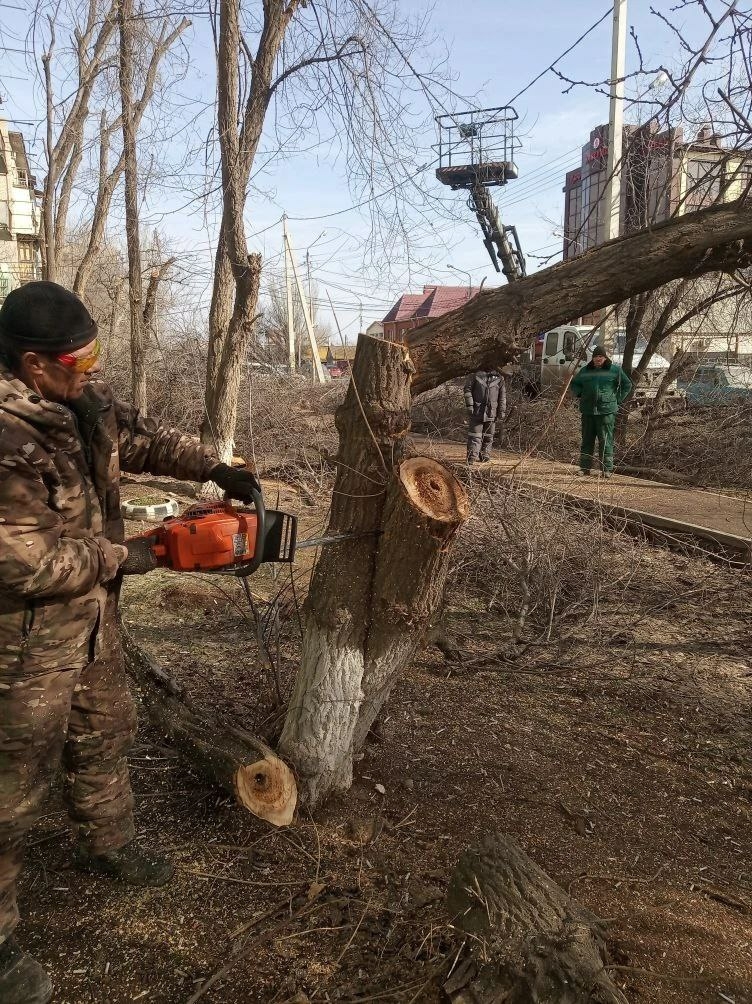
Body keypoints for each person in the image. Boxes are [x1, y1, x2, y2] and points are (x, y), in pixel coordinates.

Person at [0, 281, 260, 1003]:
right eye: (78, 361)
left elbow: (141, 438)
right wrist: (132, 556)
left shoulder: (80, 397)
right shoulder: (7, 438)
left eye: (95, 355)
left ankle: (108, 842)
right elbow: (23, 561)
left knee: (105, 732)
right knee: (11, 785)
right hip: (22, 646)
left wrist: (214, 466)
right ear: (32, 364)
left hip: (91, 625)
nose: (91, 371)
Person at [570, 344, 633, 478]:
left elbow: (627, 384)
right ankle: (584, 468)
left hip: (606, 411)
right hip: (588, 411)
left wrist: (617, 399)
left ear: (605, 357)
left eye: (600, 356)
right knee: (587, 440)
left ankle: (607, 469)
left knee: (606, 440)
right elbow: (575, 384)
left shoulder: (614, 370)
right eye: (595, 357)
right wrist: (581, 394)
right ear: (592, 358)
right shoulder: (585, 371)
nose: (598, 359)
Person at [464, 369, 506, 464]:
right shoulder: (475, 375)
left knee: (488, 436)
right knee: (475, 436)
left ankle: (485, 455)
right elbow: (467, 389)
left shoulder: (500, 378)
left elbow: (502, 397)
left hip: (492, 412)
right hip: (476, 411)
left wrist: (502, 411)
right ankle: (471, 457)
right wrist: (470, 405)